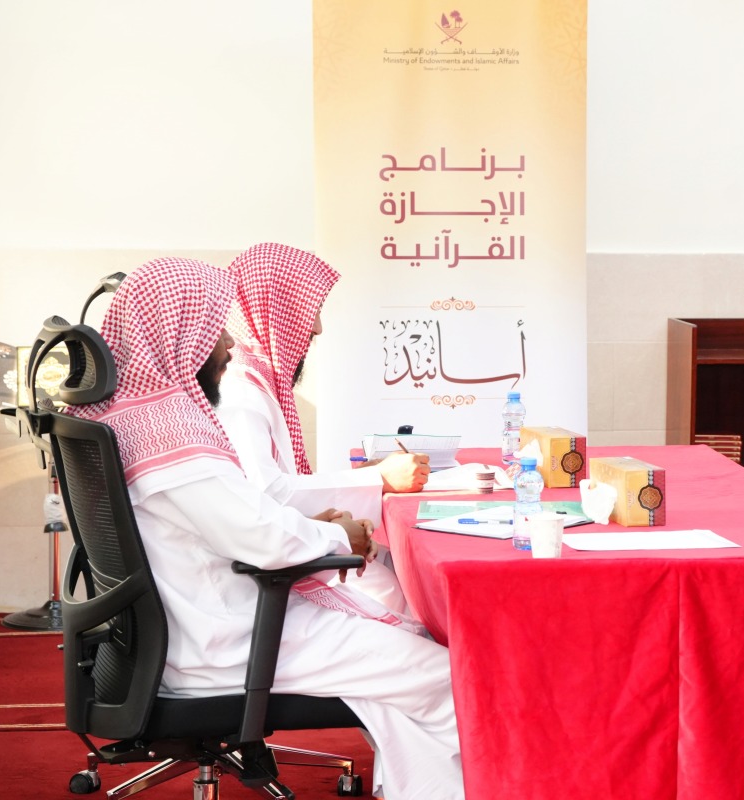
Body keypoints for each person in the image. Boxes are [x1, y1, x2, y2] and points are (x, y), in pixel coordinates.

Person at [69, 256, 464, 800]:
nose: (229, 342)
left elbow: (242, 515)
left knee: (393, 675)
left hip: (200, 624)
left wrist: (311, 528)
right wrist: (338, 538)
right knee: (450, 677)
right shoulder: (166, 435)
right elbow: (261, 537)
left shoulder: (134, 415)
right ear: (181, 333)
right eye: (215, 329)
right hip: (226, 641)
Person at [217, 242, 427, 632]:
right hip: (266, 590)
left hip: (291, 555)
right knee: (409, 620)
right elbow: (266, 496)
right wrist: (375, 482)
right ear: (276, 309)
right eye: (309, 310)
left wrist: (341, 515)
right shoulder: (240, 394)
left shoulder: (257, 381)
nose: (317, 327)